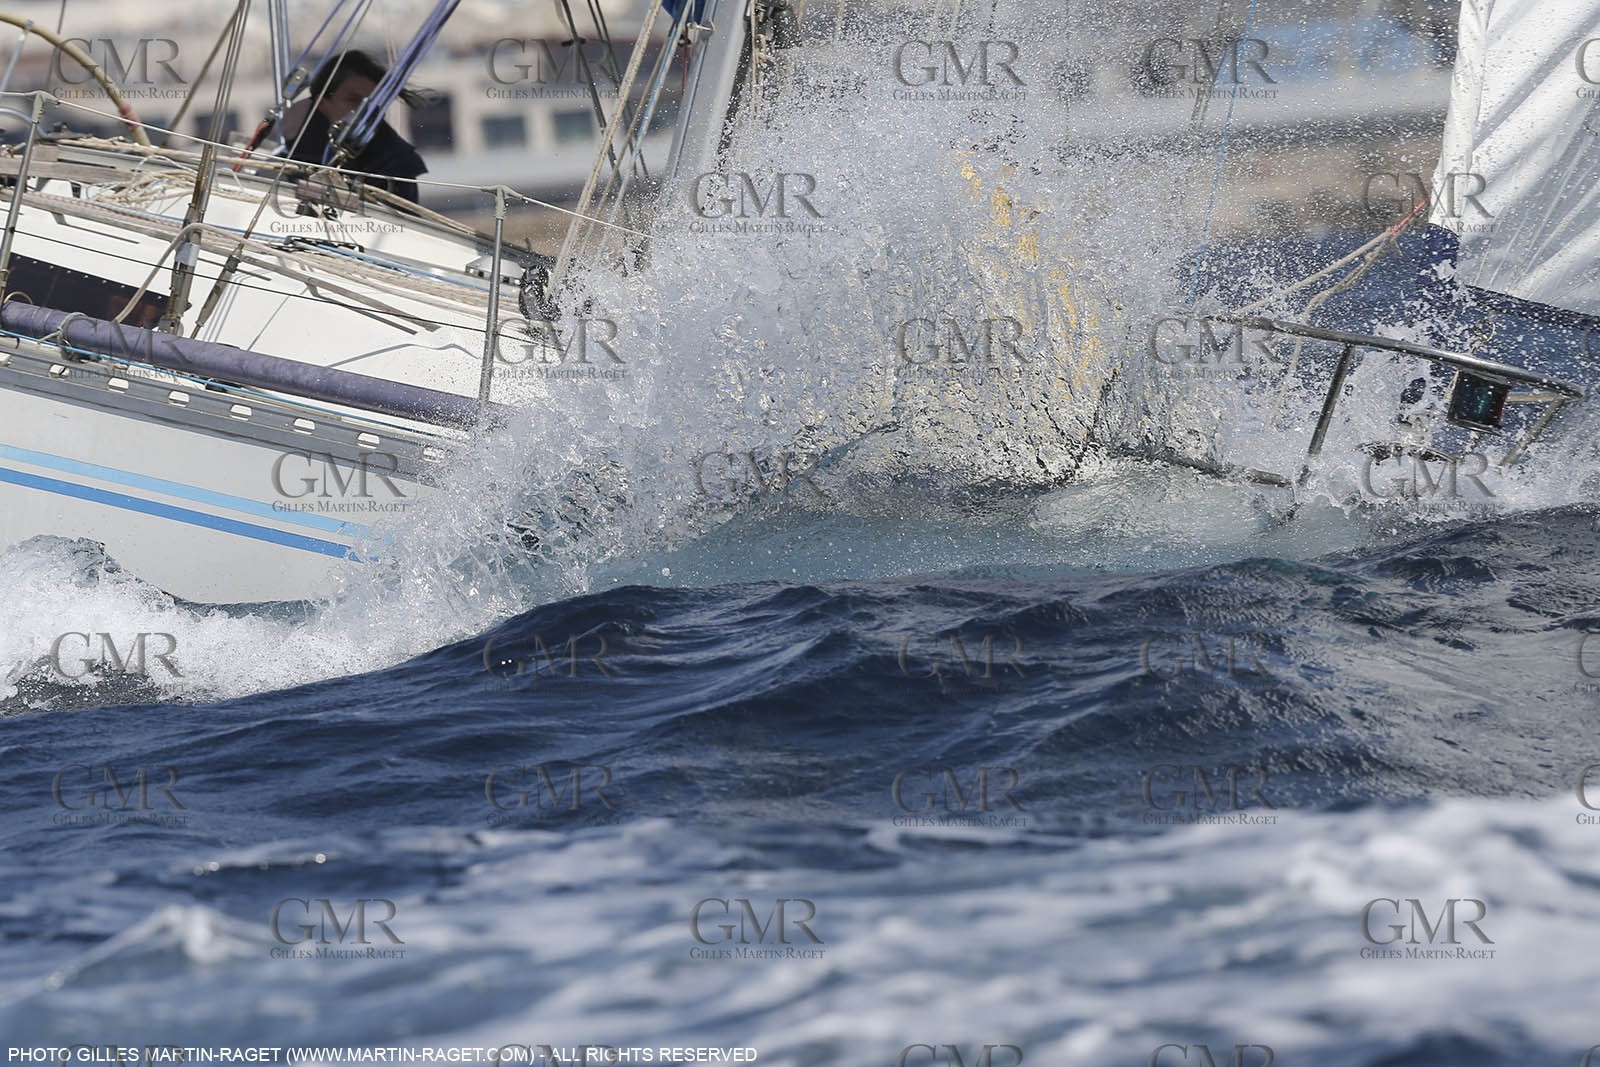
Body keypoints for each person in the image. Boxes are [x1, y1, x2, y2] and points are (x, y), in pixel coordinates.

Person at [281, 50, 429, 203]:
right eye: (353, 100)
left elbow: (400, 212)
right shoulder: (298, 129)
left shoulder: (397, 160)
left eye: (372, 102)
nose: (364, 110)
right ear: (322, 103)